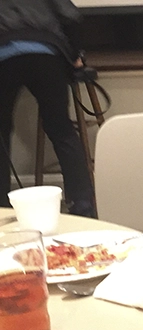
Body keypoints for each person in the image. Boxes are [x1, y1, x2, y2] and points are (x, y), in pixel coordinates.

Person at [0, 0, 96, 218]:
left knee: (1, 135)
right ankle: (82, 204)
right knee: (61, 129)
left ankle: (2, 209)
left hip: (2, 57)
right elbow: (71, 17)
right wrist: (75, 56)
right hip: (45, 54)